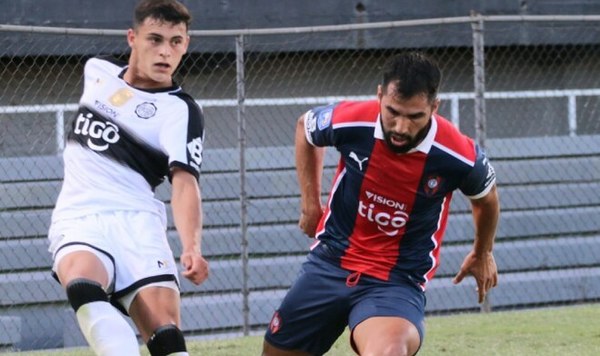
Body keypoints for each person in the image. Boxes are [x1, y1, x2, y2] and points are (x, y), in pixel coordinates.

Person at [263, 51, 499, 356]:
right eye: (393, 112)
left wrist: (483, 251)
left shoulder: (457, 154)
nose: (401, 127)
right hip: (330, 260)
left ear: (434, 107)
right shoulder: (352, 121)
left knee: (388, 353)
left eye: (415, 116)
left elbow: (487, 199)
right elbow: (304, 128)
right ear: (379, 97)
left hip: (395, 280)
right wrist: (311, 204)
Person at [47, 1, 209, 355]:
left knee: (166, 337)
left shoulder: (180, 111)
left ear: (186, 44)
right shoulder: (97, 72)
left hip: (139, 225)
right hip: (81, 217)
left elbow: (184, 183)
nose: (166, 51)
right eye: (155, 39)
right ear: (132, 38)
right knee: (84, 286)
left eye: (176, 41)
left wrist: (192, 246)